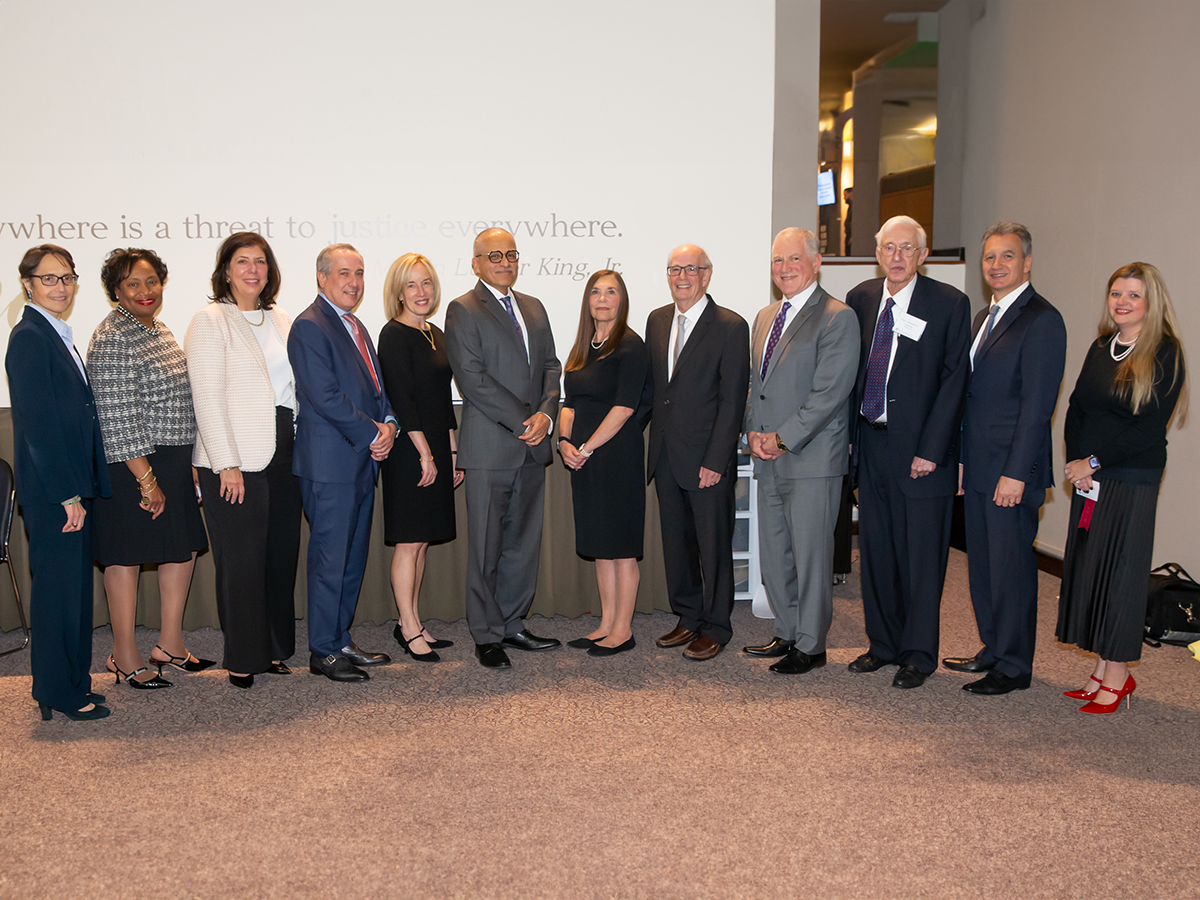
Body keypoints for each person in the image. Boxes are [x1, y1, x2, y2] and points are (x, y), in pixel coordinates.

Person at [1057, 262, 1188, 714]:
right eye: (1116, 293)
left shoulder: (1165, 352)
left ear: (1151, 302)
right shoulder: (1101, 346)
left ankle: (1118, 675)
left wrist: (1093, 461)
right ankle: (1100, 669)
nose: (1122, 302)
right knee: (1091, 571)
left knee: (1120, 575)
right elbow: (1076, 408)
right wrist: (1078, 463)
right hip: (1091, 478)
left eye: (1133, 295)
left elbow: (1149, 427)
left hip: (1131, 478)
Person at [846, 215, 970, 689]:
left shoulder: (949, 303)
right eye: (888, 248)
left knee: (921, 558)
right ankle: (882, 644)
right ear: (878, 254)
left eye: (906, 248)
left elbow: (955, 381)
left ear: (923, 255)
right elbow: (853, 372)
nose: (896, 257)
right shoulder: (860, 299)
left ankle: (918, 653)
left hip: (922, 454)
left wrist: (932, 450)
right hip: (872, 443)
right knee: (876, 552)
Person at [944, 223, 1067, 695]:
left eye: (1008, 257)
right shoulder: (982, 318)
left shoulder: (1042, 320)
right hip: (976, 467)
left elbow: (1038, 409)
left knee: (1012, 569)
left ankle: (1014, 666)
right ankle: (993, 648)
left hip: (1011, 472)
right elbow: (971, 399)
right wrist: (958, 460)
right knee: (983, 567)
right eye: (990, 257)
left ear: (1027, 262)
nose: (997, 265)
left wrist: (1016, 474)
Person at [88, 248, 211, 690]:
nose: (145, 291)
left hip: (173, 459)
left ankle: (170, 644)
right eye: (132, 284)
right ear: (115, 291)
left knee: (181, 549)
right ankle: (124, 655)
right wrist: (147, 479)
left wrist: (191, 460)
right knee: (124, 557)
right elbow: (118, 415)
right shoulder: (111, 337)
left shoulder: (157, 329)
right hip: (133, 463)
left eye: (151, 282)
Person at [186, 232, 302, 689]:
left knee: (279, 556)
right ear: (226, 270)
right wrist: (225, 464)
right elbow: (207, 398)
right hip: (234, 458)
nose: (253, 270)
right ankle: (241, 656)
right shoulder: (211, 320)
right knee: (242, 561)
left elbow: (295, 389)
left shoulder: (282, 319)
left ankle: (273, 649)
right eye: (242, 262)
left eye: (260, 262)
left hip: (284, 451)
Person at [444, 228, 562, 669]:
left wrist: (547, 416)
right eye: (494, 255)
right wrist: (522, 421)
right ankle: (486, 633)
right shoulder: (463, 309)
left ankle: (513, 623)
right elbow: (471, 378)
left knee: (522, 545)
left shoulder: (533, 307)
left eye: (511, 253)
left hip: (533, 446)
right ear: (476, 263)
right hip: (492, 446)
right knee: (487, 547)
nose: (505, 261)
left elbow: (551, 365)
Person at [742, 228, 859, 674]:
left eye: (793, 259)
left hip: (810, 459)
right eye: (777, 261)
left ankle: (811, 644)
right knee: (775, 554)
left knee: (810, 556)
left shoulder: (836, 317)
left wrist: (782, 437)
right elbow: (756, 386)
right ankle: (788, 632)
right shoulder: (765, 316)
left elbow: (829, 393)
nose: (784, 268)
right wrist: (752, 432)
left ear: (816, 262)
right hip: (766, 456)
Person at [6, 245, 111, 720]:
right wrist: (67, 493)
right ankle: (56, 691)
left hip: (72, 485)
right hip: (56, 493)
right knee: (56, 595)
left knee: (73, 592)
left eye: (67, 277)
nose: (60, 287)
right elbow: (38, 427)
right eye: (49, 279)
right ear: (28, 283)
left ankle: (72, 679)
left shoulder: (56, 332)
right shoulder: (28, 336)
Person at [288, 244, 396, 683]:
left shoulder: (356, 325)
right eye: (344, 273)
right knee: (330, 560)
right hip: (330, 465)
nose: (353, 282)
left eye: (360, 273)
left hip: (360, 462)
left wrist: (388, 421)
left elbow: (375, 387)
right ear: (322, 277)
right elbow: (325, 396)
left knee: (351, 559)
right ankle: (322, 650)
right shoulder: (309, 327)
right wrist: (374, 433)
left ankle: (341, 638)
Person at [645, 245, 750, 661]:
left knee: (713, 545)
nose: (682, 276)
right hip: (667, 455)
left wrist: (716, 460)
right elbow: (657, 392)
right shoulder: (657, 320)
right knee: (677, 544)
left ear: (707, 275)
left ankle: (717, 626)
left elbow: (732, 401)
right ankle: (688, 616)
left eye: (691, 269)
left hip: (708, 459)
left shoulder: (730, 326)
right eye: (675, 269)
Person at [558, 270, 650, 657]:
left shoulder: (630, 345)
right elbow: (570, 403)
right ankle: (606, 623)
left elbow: (625, 408)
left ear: (621, 300)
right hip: (583, 458)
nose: (602, 298)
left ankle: (623, 630)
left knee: (622, 547)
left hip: (615, 456)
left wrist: (587, 447)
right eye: (596, 291)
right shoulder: (582, 347)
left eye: (611, 292)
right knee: (600, 545)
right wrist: (564, 442)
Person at [377, 253, 462, 663]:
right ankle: (407, 626)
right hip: (410, 453)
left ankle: (413, 619)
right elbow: (403, 400)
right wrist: (426, 454)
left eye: (426, 282)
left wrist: (452, 449)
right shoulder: (392, 334)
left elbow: (441, 399)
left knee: (423, 541)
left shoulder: (437, 333)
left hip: (435, 451)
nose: (421, 291)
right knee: (409, 543)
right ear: (398, 292)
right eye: (411, 285)